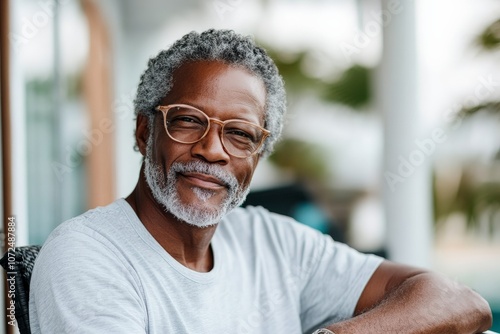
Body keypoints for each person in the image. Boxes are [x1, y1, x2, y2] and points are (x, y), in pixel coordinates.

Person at [29, 29, 492, 334]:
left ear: (258, 155)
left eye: (239, 134)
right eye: (189, 121)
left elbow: (460, 302)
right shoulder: (85, 255)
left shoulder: (272, 241)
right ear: (144, 131)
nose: (213, 150)